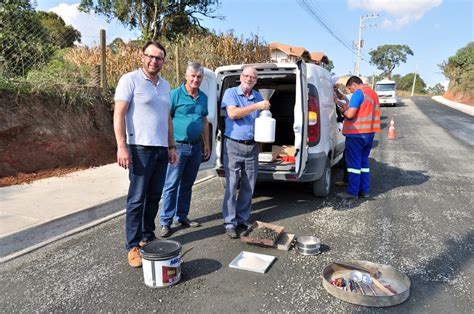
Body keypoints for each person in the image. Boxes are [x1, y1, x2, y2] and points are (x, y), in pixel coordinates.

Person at [114, 40, 178, 267]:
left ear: (163, 61)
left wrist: (171, 146)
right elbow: (119, 114)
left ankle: (147, 236)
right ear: (142, 57)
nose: (154, 61)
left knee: (154, 196)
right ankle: (132, 245)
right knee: (137, 199)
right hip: (140, 148)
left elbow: (167, 118)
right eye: (150, 56)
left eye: (158, 57)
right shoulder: (129, 80)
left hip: (161, 149)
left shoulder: (165, 85)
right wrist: (122, 146)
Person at [159, 62, 210, 237]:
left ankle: (182, 216)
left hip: (196, 146)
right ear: (186, 76)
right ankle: (166, 221)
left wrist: (207, 143)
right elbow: (166, 119)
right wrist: (170, 145)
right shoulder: (175, 95)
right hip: (178, 147)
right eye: (193, 76)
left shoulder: (203, 97)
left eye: (199, 77)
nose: (196, 80)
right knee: (171, 185)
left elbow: (204, 121)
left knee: (187, 184)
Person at [221, 66, 271, 239]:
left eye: (253, 77)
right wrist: (257, 105)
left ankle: (242, 219)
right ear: (241, 77)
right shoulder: (231, 93)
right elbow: (233, 114)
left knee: (249, 185)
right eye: (246, 75)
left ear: (256, 81)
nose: (249, 79)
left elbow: (261, 121)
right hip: (233, 145)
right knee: (232, 185)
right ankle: (229, 223)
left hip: (252, 146)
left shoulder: (258, 95)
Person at [336, 76, 381, 200]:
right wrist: (338, 97)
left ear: (355, 84)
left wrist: (342, 110)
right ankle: (364, 191)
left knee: (353, 165)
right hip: (369, 134)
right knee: (363, 163)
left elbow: (350, 114)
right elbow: (358, 108)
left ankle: (352, 192)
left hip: (356, 135)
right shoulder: (372, 93)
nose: (351, 91)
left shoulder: (358, 93)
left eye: (350, 88)